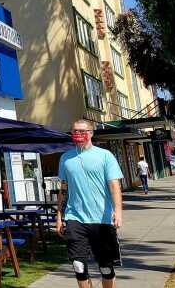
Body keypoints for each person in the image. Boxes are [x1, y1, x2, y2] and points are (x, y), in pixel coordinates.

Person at [56, 119, 124, 288]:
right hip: (75, 218)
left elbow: (114, 185)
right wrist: (59, 216)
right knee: (78, 266)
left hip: (102, 219)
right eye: (74, 131)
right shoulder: (66, 158)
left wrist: (118, 211)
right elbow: (63, 189)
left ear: (91, 133)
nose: (78, 134)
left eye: (82, 131)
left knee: (106, 269)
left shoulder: (105, 155)